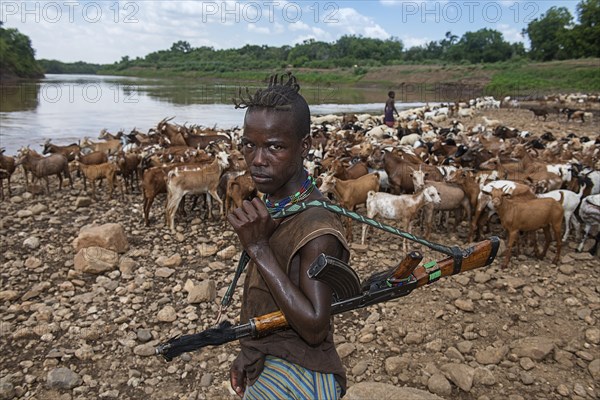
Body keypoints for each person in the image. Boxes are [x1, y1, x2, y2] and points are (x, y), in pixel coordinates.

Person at [227, 73, 350, 399]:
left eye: (274, 147)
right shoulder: (274, 205)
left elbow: (314, 327)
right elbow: (266, 297)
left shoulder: (316, 229)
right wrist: (250, 352)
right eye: (248, 145)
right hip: (269, 364)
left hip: (300, 377)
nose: (257, 160)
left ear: (305, 146)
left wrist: (258, 248)